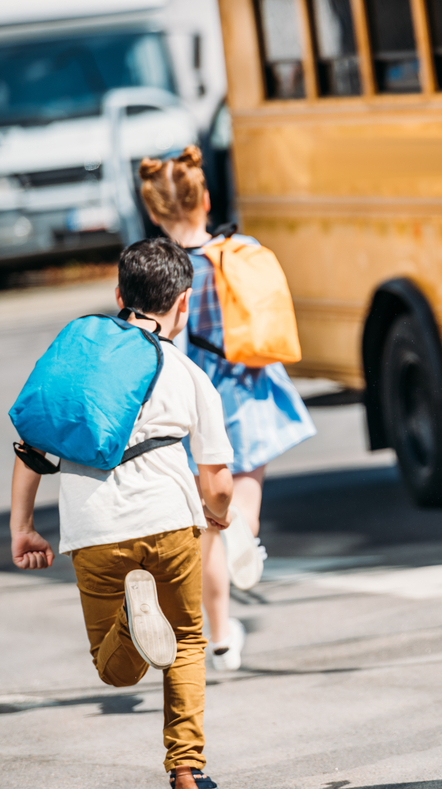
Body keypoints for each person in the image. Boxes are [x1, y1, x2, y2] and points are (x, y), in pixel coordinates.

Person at [9, 238, 235, 789]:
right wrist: (217, 515)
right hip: (170, 521)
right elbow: (219, 481)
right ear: (183, 303)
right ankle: (188, 771)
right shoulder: (187, 373)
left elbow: (31, 447)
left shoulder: (79, 368)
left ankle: (134, 630)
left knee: (113, 670)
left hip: (95, 529)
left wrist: (23, 527)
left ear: (118, 295)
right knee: (185, 640)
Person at [138, 146, 316, 671]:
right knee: (243, 496)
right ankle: (246, 531)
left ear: (153, 212)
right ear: (205, 197)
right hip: (246, 389)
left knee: (205, 527)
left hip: (188, 400)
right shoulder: (243, 249)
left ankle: (219, 640)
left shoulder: (157, 268)